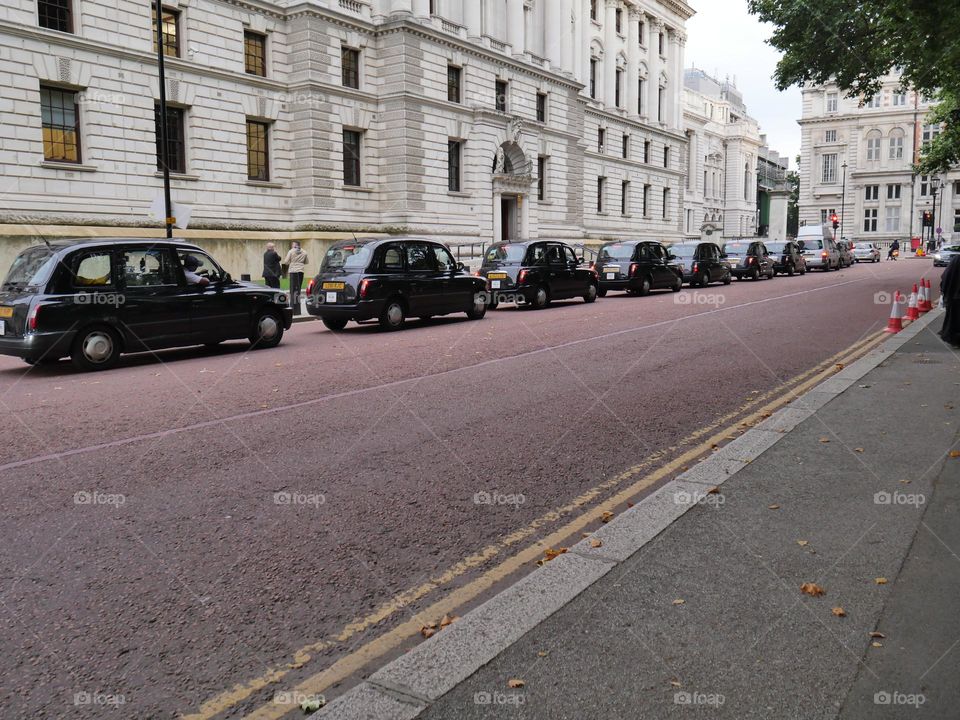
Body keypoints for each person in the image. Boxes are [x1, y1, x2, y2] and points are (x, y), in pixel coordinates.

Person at [283, 242, 309, 315]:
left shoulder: (291, 251)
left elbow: (286, 261)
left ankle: (293, 307)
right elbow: (306, 262)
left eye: (292, 244)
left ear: (294, 245)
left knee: (293, 289)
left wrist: (292, 262)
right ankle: (298, 307)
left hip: (293, 271)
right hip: (301, 270)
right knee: (298, 289)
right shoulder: (304, 252)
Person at [940, 255, 960, 347]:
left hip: (954, 296)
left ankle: (953, 338)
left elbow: (945, 276)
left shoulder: (956, 260)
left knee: (953, 318)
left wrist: (945, 291)